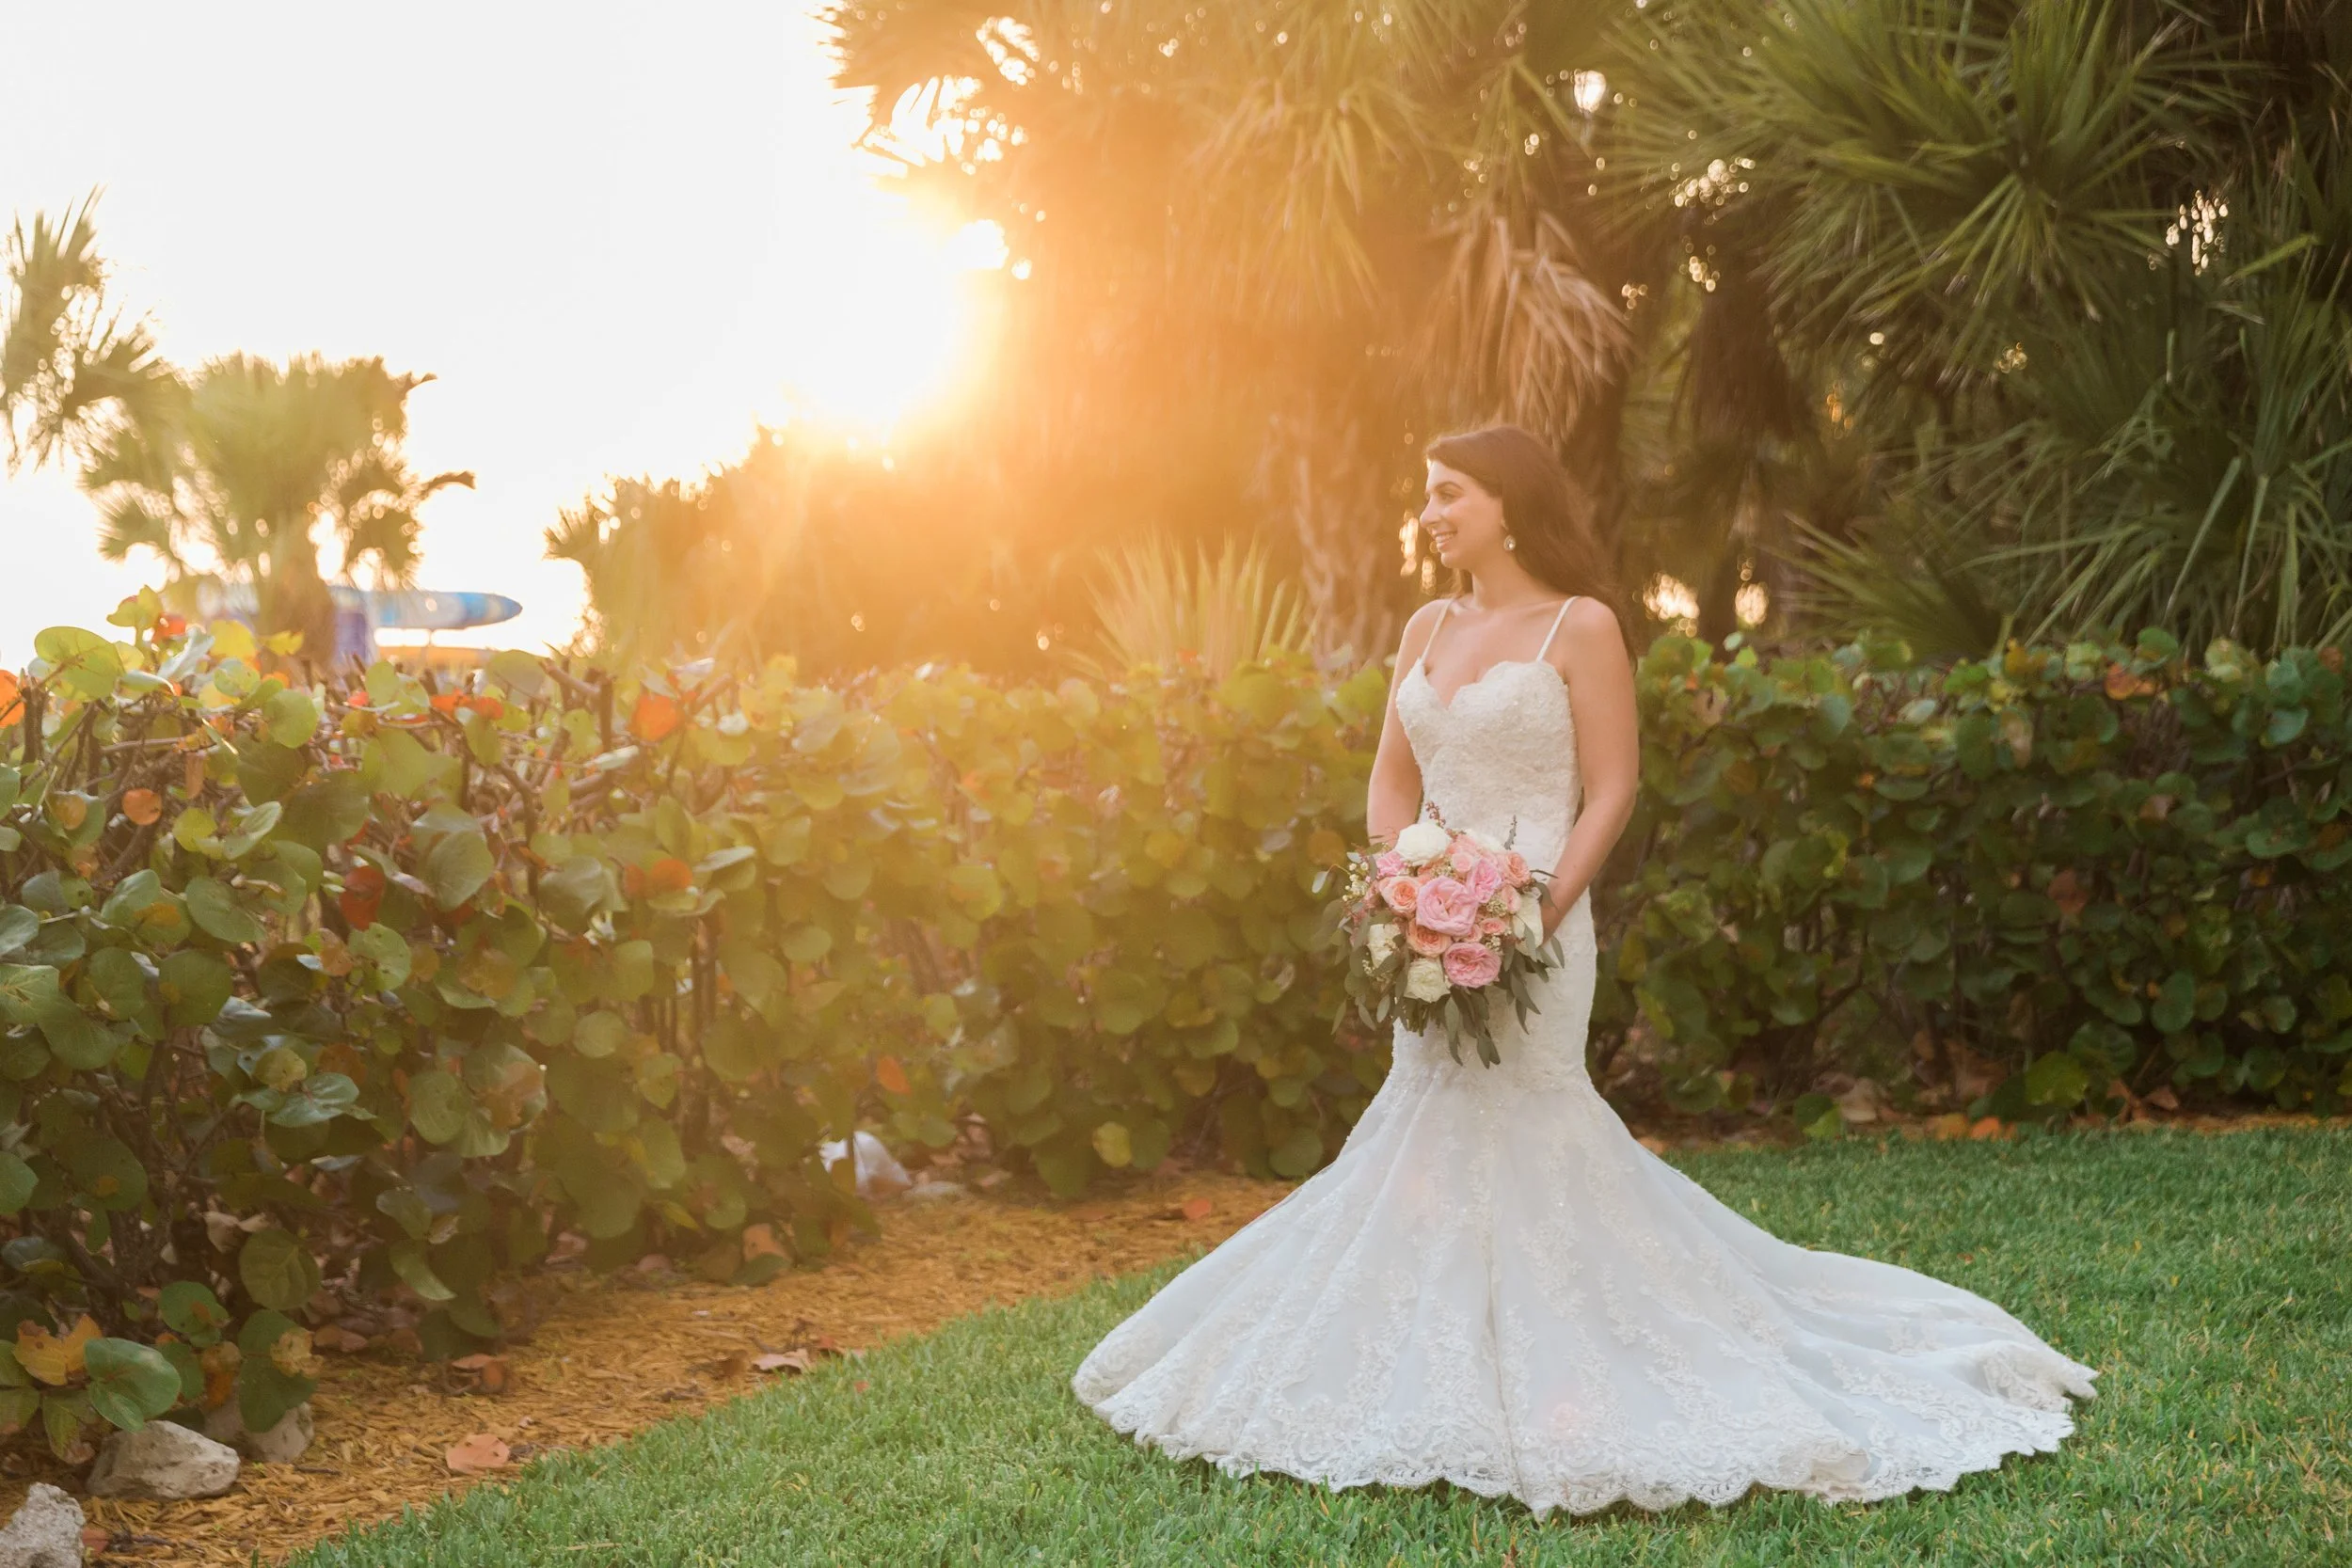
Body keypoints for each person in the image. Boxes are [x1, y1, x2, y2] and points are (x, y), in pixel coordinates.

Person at [1071, 423, 2095, 1516]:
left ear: (1509, 505)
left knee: (1530, 1115)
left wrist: (1535, 908)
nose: (1430, 512)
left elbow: (1611, 786)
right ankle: (1428, 1348)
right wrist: (1399, 887)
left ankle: (1580, 1345)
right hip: (1423, 925)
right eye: (1427, 494)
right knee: (1426, 1120)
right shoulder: (1424, 626)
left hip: (1538, 924)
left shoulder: (1582, 625)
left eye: (1450, 493)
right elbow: (1390, 778)